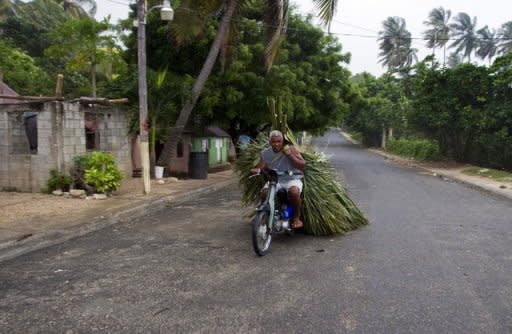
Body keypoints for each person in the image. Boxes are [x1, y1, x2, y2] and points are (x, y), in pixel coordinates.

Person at [250, 130, 306, 229]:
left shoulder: (291, 149)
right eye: (274, 142)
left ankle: (296, 217)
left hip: (292, 178)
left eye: (279, 141)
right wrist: (257, 170)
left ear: (282, 141)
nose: (276, 144)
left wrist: (289, 155)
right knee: (264, 193)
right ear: (270, 142)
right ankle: (267, 215)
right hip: (276, 179)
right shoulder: (265, 153)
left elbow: (302, 166)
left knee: (294, 192)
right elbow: (261, 166)